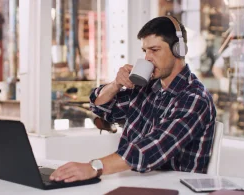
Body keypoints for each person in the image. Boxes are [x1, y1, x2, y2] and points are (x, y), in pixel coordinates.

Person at [50, 16, 216, 183]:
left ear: (178, 50)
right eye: (145, 51)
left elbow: (151, 150)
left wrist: (94, 167)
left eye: (155, 50)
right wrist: (116, 84)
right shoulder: (147, 87)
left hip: (176, 189)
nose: (147, 58)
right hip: (138, 183)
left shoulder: (194, 98)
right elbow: (100, 107)